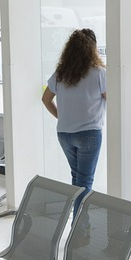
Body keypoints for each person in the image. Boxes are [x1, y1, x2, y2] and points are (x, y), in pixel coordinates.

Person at [41, 28, 106, 202]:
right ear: (93, 48)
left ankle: (77, 223)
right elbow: (112, 101)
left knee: (77, 181)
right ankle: (80, 227)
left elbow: (46, 99)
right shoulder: (99, 73)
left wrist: (61, 117)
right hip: (89, 133)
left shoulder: (61, 73)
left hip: (64, 134)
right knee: (85, 183)